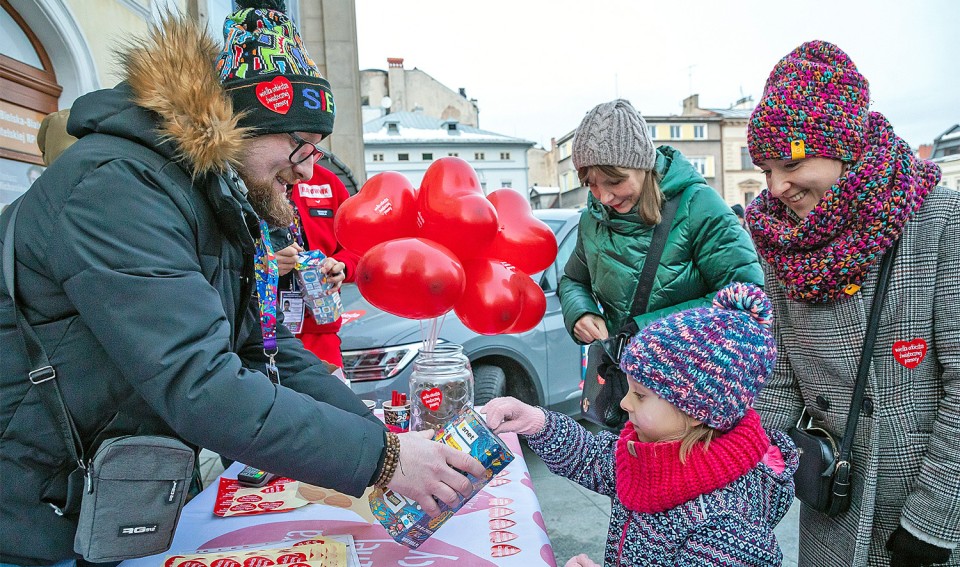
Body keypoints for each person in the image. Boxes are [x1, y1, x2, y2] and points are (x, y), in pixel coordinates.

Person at [0, 3, 484, 566]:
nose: (308, 170)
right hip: (24, 504)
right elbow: (201, 383)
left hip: (92, 497)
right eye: (301, 143)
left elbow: (261, 353)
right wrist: (385, 459)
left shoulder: (211, 197)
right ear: (243, 126)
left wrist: (369, 427)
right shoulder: (117, 187)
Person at [745, 40, 959, 567]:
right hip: (830, 499)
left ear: (844, 146)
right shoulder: (779, 240)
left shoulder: (939, 221)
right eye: (766, 169)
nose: (776, 187)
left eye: (789, 163)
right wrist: (757, 481)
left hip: (919, 505)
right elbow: (779, 378)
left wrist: (934, 520)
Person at [485, 282, 798, 566]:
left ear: (696, 411)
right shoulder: (653, 449)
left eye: (641, 395)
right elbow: (595, 458)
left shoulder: (725, 526)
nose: (624, 403)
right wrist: (538, 423)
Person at [559, 99, 764, 387]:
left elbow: (746, 298)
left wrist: (644, 330)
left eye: (614, 182)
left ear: (643, 165)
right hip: (630, 385)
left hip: (694, 390)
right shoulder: (593, 218)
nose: (603, 197)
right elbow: (572, 280)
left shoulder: (698, 205)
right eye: (592, 184)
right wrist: (580, 312)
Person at [272, 163, 360, 367]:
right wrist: (262, 262)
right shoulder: (250, 176)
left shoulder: (327, 182)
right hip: (259, 332)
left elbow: (358, 247)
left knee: (328, 396)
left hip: (319, 328)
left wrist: (342, 266)